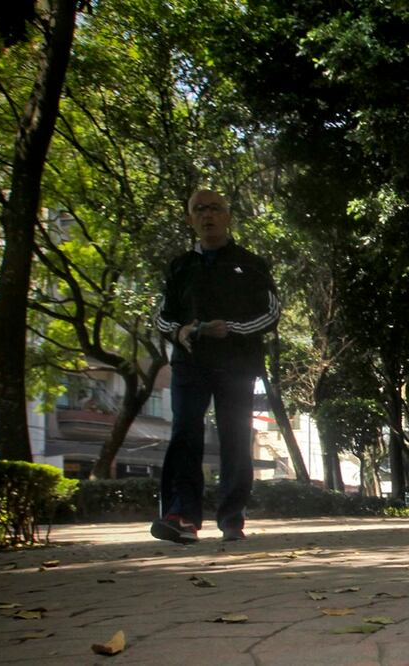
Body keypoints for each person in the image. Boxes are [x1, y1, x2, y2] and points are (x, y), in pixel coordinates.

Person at [151, 189, 279, 543]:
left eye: (215, 208)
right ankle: (182, 516)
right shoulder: (180, 267)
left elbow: (271, 313)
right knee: (184, 434)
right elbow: (162, 317)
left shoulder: (251, 264)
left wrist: (232, 329)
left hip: (237, 366)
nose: (207, 215)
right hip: (190, 364)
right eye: (199, 209)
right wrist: (180, 332)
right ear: (190, 219)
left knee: (235, 439)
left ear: (228, 216)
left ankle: (232, 518)